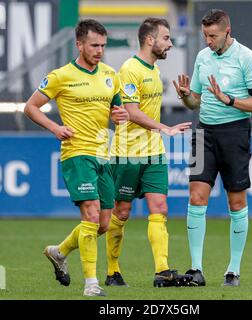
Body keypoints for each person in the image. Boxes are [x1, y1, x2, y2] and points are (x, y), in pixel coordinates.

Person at [24, 19, 128, 297]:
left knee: (104, 223)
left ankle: (60, 252)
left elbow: (117, 113)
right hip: (76, 154)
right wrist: (55, 127)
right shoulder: (61, 76)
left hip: (103, 156)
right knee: (92, 215)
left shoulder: (110, 74)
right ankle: (91, 284)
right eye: (94, 45)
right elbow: (31, 107)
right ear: (79, 44)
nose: (100, 50)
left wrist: (119, 116)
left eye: (103, 45)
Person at [173, 9, 252, 286]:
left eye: (212, 36)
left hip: (235, 134)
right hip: (204, 134)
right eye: (205, 35)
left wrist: (228, 100)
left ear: (227, 30)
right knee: (196, 197)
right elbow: (196, 102)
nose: (208, 41)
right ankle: (196, 269)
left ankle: (233, 270)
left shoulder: (247, 58)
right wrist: (187, 96)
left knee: (236, 201)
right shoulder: (203, 57)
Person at [106, 17, 192, 288]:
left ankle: (162, 271)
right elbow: (131, 113)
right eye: (166, 38)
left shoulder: (154, 71)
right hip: (128, 153)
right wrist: (164, 128)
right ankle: (112, 271)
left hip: (153, 153)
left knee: (160, 208)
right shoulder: (130, 69)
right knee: (121, 211)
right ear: (150, 39)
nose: (170, 43)